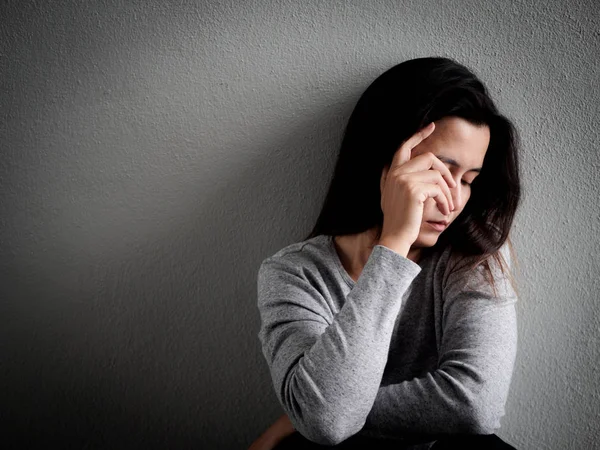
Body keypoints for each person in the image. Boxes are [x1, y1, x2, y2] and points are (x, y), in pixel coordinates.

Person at [251, 56, 521, 450]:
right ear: (383, 159)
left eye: (467, 181)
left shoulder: (476, 255)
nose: (454, 202)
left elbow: (476, 404)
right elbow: (327, 423)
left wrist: (299, 415)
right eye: (440, 172)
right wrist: (392, 246)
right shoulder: (294, 272)